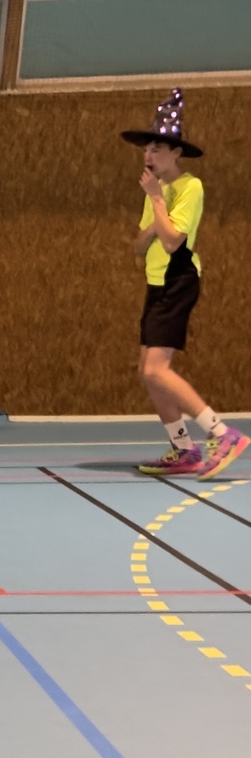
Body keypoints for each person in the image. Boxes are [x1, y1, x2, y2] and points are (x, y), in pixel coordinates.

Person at [122, 90, 246, 478]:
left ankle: (223, 434)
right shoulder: (154, 191)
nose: (148, 155)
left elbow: (173, 241)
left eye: (157, 148)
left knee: (157, 370)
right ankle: (184, 449)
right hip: (156, 283)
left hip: (178, 281)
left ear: (176, 152)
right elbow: (140, 244)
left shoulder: (190, 187)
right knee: (147, 372)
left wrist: (158, 202)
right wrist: (152, 222)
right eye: (146, 149)